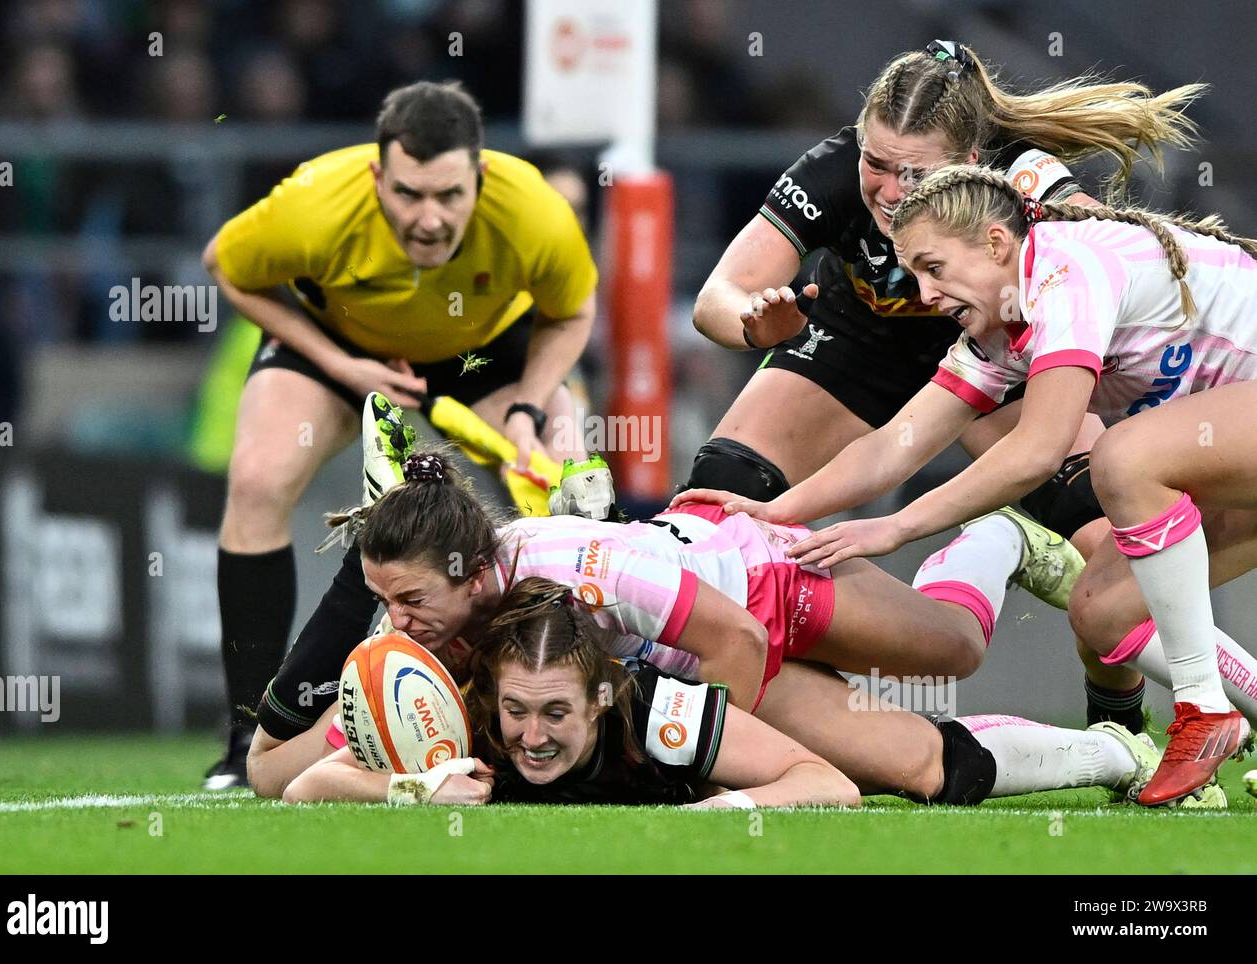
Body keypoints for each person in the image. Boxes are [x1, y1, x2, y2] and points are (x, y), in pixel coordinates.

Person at [686, 164, 1257, 804]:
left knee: (1122, 458)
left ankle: (1203, 708)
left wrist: (895, 527)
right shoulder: (995, 330)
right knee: (1102, 611)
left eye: (934, 267)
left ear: (994, 243)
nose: (924, 294)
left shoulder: (1065, 273)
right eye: (913, 273)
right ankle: (1219, 709)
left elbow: (1038, 450)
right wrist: (773, 509)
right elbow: (891, 447)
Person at [686, 40, 1205, 735]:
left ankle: (1121, 724)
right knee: (721, 499)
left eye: (914, 173)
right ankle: (817, 719)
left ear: (968, 166)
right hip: (858, 344)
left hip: (994, 354)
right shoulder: (836, 170)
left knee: (1114, 550)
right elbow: (715, 297)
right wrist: (753, 325)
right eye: (877, 163)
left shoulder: (1023, 178)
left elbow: (1112, 253)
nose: (890, 190)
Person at [246, 428, 1085, 799]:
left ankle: (994, 540)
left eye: (407, 600)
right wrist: (401, 780)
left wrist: (685, 770)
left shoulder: (575, 568)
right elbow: (273, 777)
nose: (393, 623)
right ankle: (1115, 754)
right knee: (925, 772)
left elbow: (738, 639)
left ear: (471, 575)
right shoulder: (425, 633)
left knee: (957, 650)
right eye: (380, 601)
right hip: (684, 657)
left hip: (756, 589)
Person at [201, 80, 598, 787]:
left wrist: (531, 407)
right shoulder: (314, 202)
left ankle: (585, 716)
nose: (429, 219)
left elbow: (573, 310)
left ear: (479, 175)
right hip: (342, 345)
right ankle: (245, 739)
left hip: (481, 352)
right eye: (409, 194)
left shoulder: (534, 209)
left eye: (450, 196)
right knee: (258, 478)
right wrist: (342, 366)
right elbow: (225, 268)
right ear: (376, 175)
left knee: (569, 476)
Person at [282, 577, 1207, 809]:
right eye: (517, 711)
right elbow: (305, 785)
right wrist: (415, 786)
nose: (527, 736)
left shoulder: (660, 718)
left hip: (763, 631)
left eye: (554, 714)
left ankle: (1111, 749)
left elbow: (826, 787)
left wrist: (733, 809)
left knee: (926, 769)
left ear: (602, 700)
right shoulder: (476, 722)